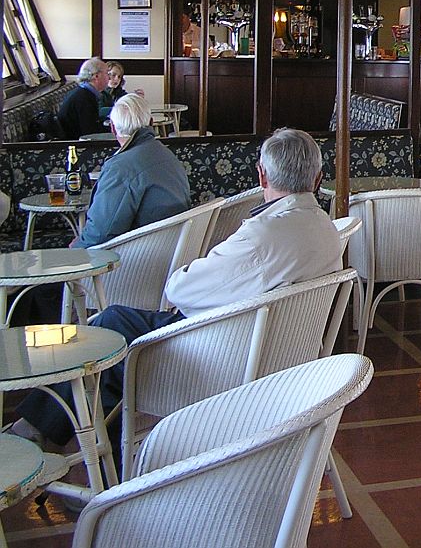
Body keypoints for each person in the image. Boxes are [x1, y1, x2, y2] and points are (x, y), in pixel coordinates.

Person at [11, 128, 343, 450]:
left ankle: (46, 437)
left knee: (110, 330)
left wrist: (203, 264)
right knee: (117, 329)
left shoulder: (262, 235)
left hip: (224, 363)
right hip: (289, 359)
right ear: (317, 179)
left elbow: (179, 291)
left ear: (262, 177)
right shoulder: (327, 230)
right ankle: (79, 446)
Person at [72, 94, 191, 249]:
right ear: (151, 123)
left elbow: (101, 234)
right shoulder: (167, 155)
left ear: (113, 128)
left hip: (138, 259)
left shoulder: (120, 167)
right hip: (172, 249)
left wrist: (78, 246)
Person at [57, 57, 109, 139]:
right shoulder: (84, 97)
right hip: (73, 143)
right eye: (107, 73)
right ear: (96, 76)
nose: (109, 77)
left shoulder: (84, 92)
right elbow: (89, 132)